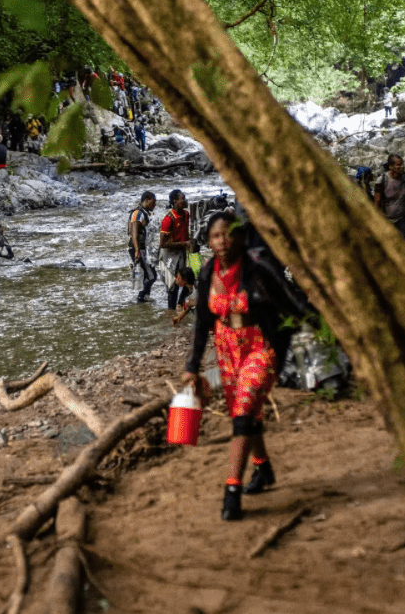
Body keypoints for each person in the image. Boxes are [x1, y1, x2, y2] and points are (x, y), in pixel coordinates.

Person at [180, 211, 305, 521]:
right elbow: (202, 325)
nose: (223, 242)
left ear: (240, 236)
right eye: (216, 236)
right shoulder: (208, 272)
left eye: (228, 234)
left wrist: (315, 336)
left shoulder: (259, 268)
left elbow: (292, 304)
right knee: (246, 411)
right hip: (226, 348)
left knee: (242, 412)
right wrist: (192, 366)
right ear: (209, 242)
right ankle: (262, 468)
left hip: (261, 345)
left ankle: (231, 490)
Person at [159, 189, 192, 310]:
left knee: (188, 281)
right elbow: (162, 244)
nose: (185, 201)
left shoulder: (186, 214)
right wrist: (184, 243)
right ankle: (171, 310)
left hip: (182, 251)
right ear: (175, 202)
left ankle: (180, 304)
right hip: (170, 254)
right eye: (182, 199)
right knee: (173, 285)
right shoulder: (168, 219)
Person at [372, 154, 405, 242]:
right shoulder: (382, 180)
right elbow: (377, 202)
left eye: (402, 164)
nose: (402, 166)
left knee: (404, 244)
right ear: (390, 167)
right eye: (399, 165)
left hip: (404, 217)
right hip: (388, 220)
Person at [128, 191, 158, 302]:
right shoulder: (137, 213)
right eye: (153, 202)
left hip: (144, 248)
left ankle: (144, 296)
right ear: (146, 200)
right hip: (138, 248)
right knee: (151, 275)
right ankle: (141, 297)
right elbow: (134, 233)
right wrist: (137, 250)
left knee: (148, 274)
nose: (154, 205)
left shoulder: (145, 213)